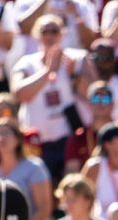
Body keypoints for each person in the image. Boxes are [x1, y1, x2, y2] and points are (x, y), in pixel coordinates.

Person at [10, 15, 85, 182]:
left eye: (54, 31)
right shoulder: (26, 63)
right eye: (45, 31)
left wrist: (74, 76)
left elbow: (92, 94)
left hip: (67, 140)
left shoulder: (74, 60)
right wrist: (48, 70)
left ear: (62, 34)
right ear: (36, 35)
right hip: (36, 142)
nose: (49, 36)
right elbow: (19, 93)